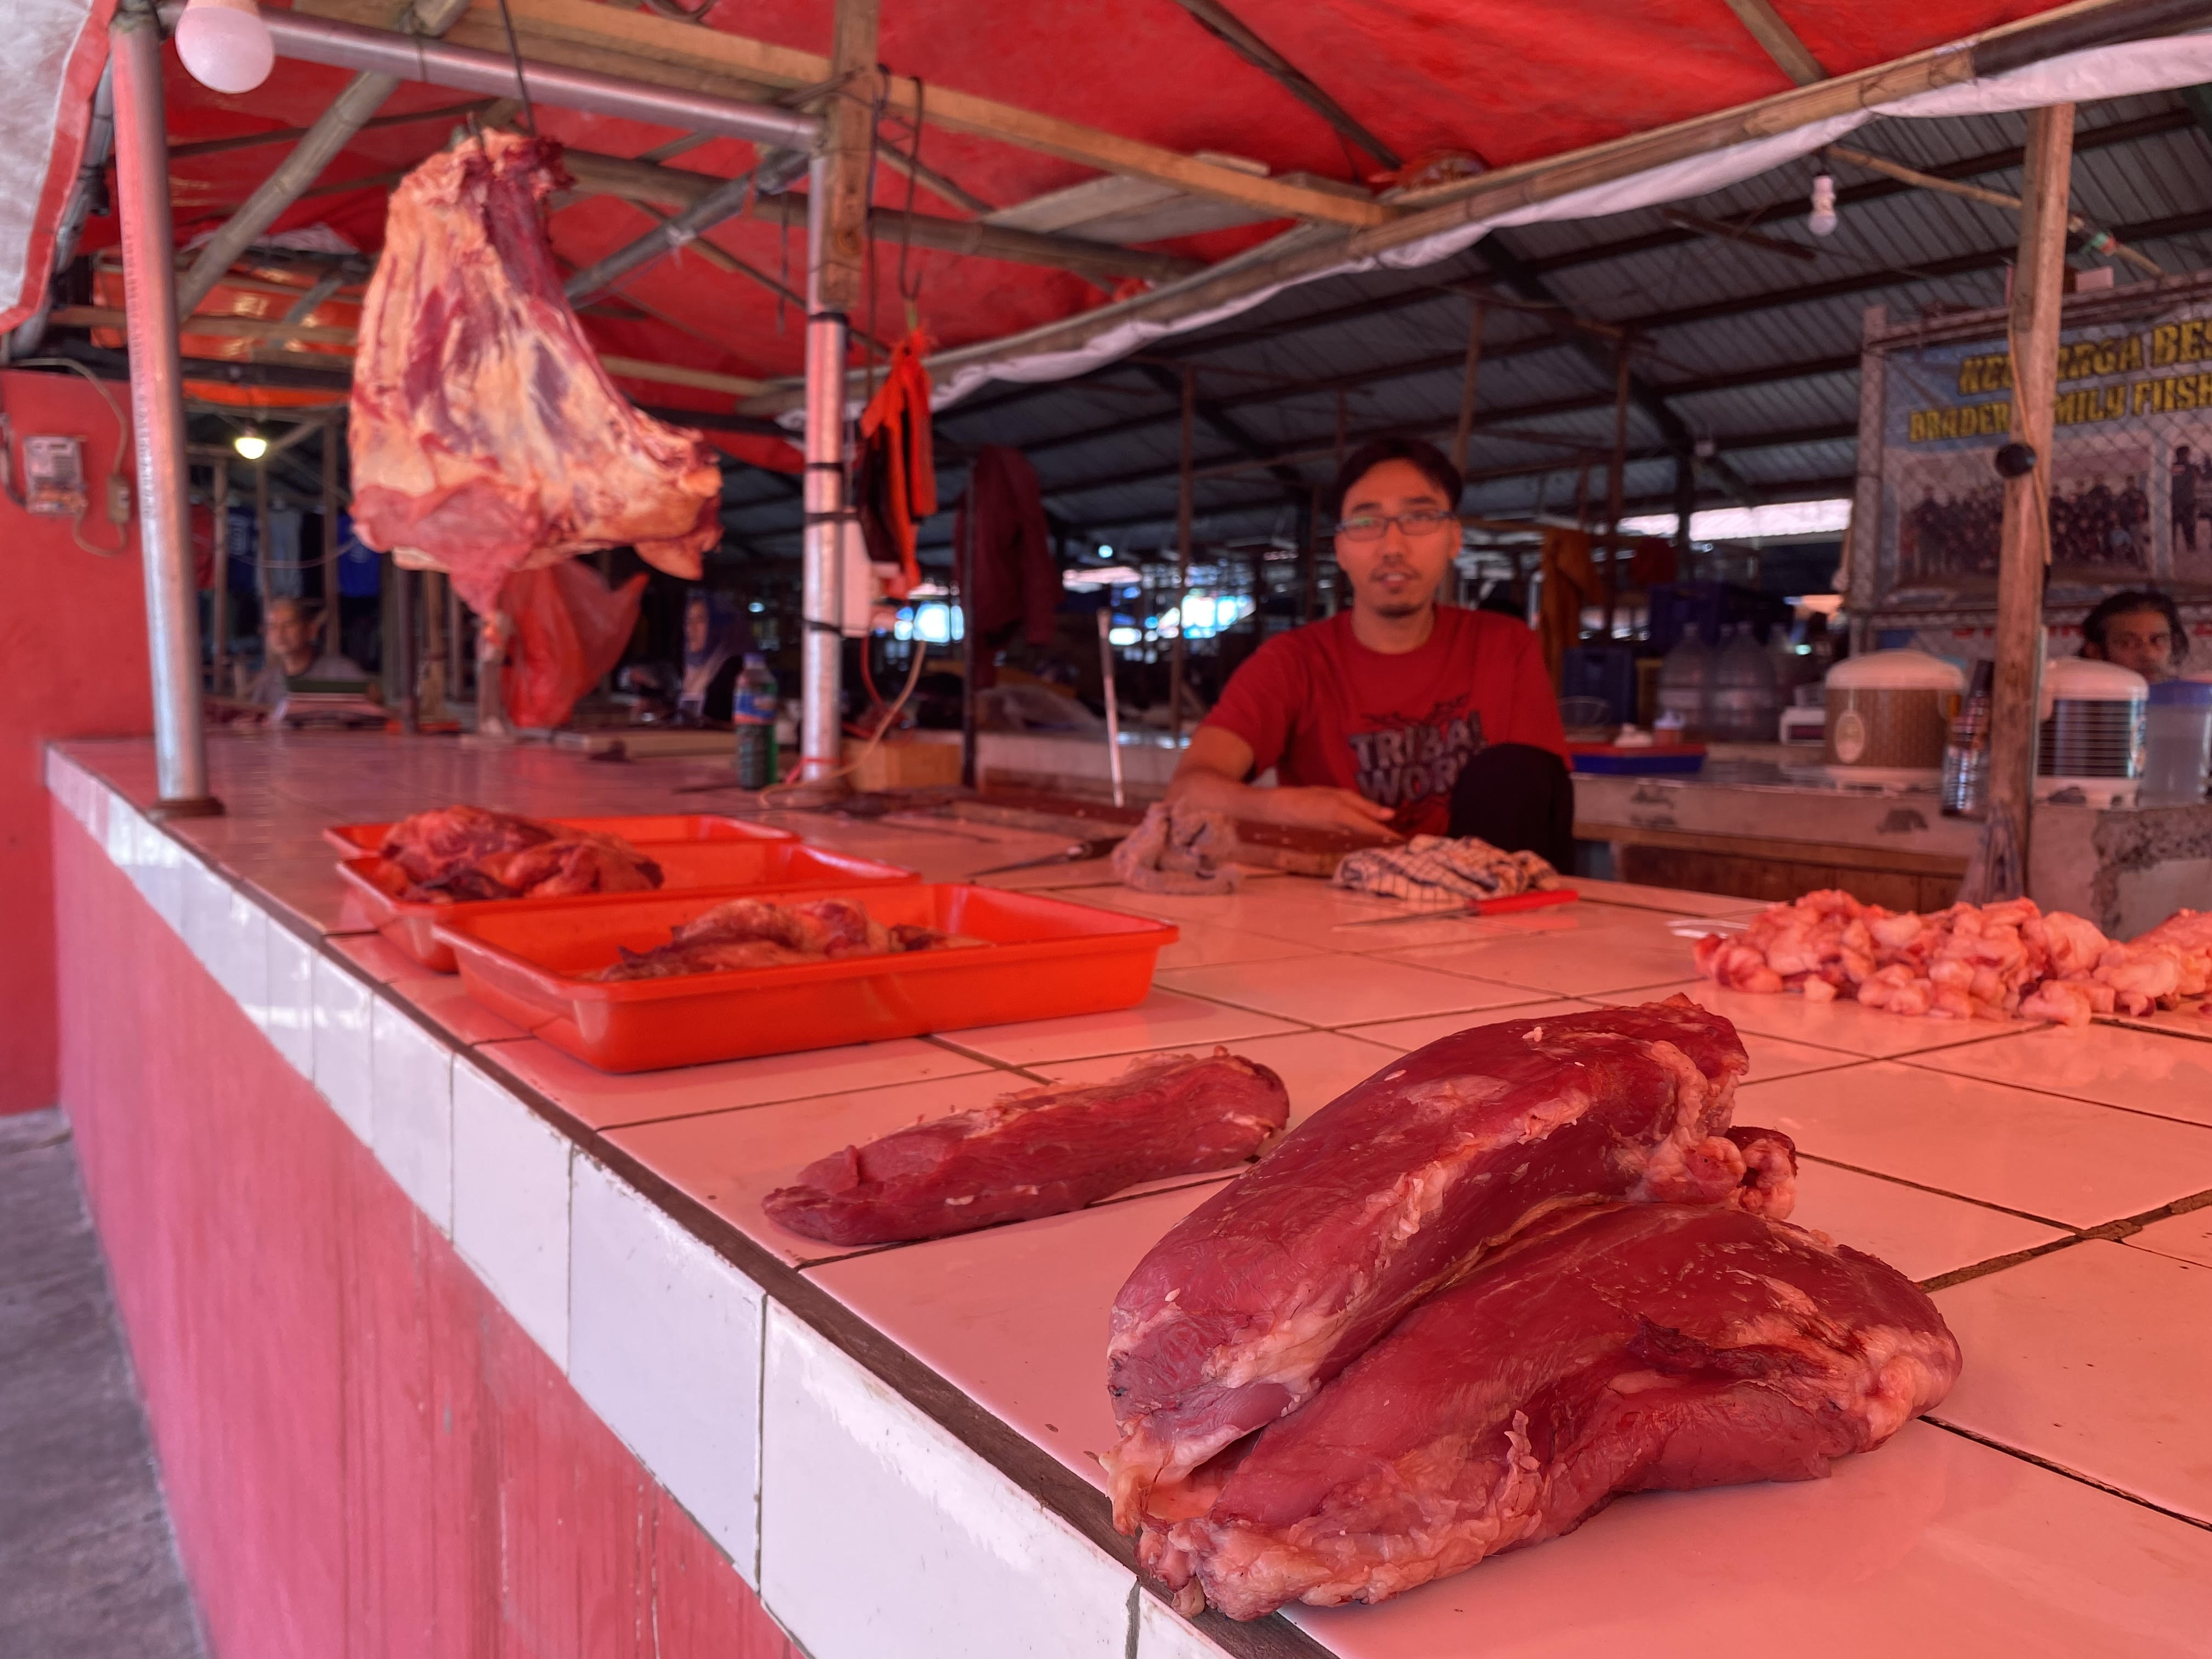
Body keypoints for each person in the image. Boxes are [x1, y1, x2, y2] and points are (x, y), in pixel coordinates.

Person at [1167, 437, 1572, 864]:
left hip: (1480, 894)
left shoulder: (1504, 645)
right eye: (1366, 524)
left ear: (1454, 539)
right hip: (1339, 897)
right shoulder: (1293, 662)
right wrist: (1288, 808)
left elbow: (1536, 799)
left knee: (1513, 771)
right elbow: (1187, 788)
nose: (1393, 547)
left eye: (1419, 518)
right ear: (1340, 549)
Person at [246, 597, 372, 707]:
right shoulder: (269, 679)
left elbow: (374, 695)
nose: (279, 633)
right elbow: (256, 715)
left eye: (288, 625)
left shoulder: (338, 670)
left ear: (311, 630)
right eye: (273, 626)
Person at [2080, 589, 2190, 683]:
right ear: (2096, 652)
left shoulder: (2186, 702)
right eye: (2127, 643)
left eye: (2158, 641)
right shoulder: (2076, 704)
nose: (2149, 655)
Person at [676, 589, 748, 725]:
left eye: (700, 620)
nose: (691, 628)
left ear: (717, 626)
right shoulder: (687, 666)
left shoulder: (733, 668)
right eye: (689, 620)